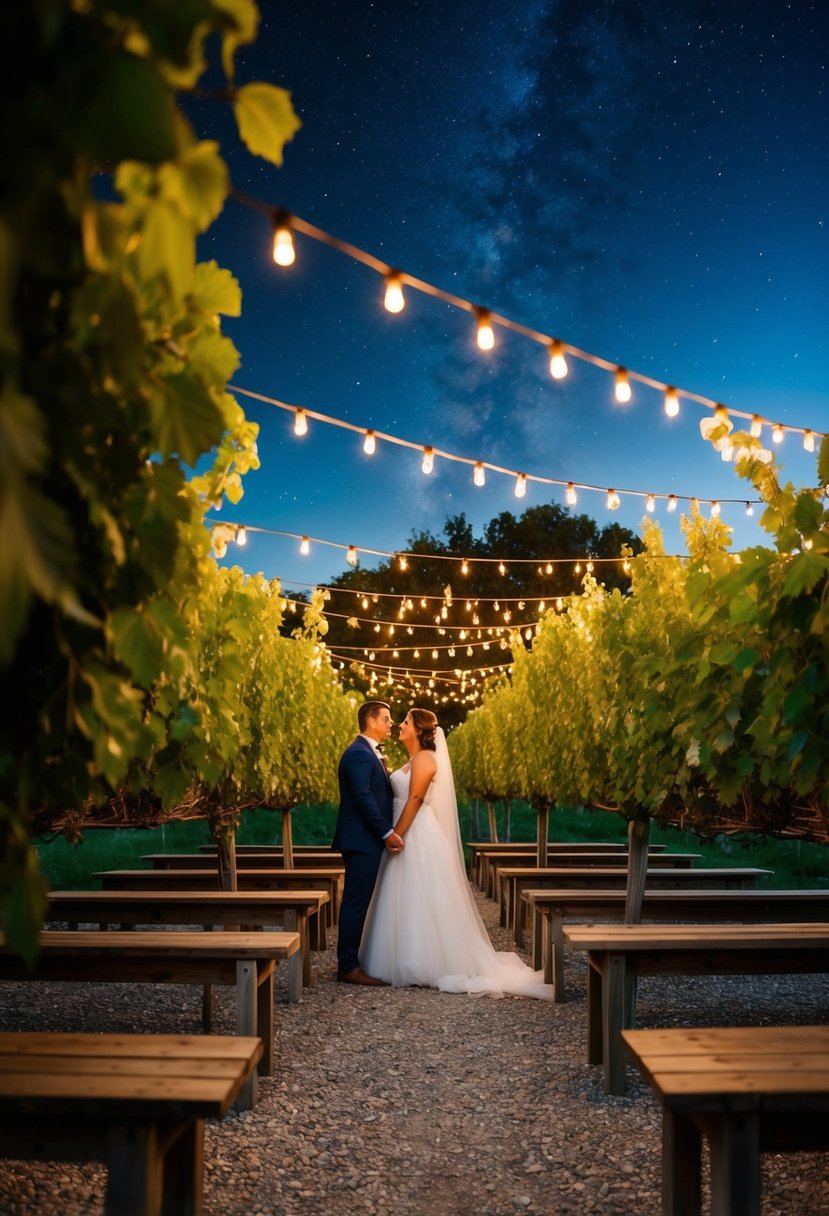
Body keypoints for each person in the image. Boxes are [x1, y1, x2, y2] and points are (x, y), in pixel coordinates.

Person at [360, 708, 552, 999]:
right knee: (404, 894)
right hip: (405, 832)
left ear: (419, 730)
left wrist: (396, 833)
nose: (400, 725)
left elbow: (416, 797)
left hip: (418, 834)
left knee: (420, 893)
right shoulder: (412, 760)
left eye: (406, 722)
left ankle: (422, 961)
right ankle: (402, 956)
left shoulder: (425, 758)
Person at [333, 700, 405, 985]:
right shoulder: (359, 754)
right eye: (386, 719)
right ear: (371, 721)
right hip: (361, 840)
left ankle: (352, 960)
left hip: (364, 839)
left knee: (359, 900)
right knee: (355, 902)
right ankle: (348, 967)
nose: (391, 724)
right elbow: (362, 798)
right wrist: (387, 832)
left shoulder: (368, 753)